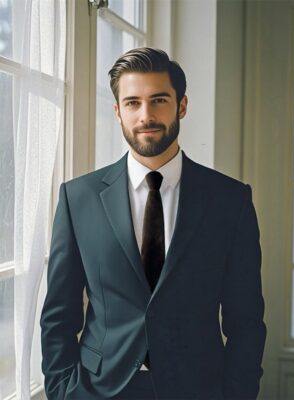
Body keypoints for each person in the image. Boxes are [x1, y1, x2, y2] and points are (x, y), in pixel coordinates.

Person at [40, 47, 266, 400]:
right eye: (132, 103)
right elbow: (58, 315)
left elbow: (246, 320)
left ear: (182, 105)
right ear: (117, 112)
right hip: (97, 389)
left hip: (199, 389)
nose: (146, 115)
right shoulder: (77, 198)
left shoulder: (230, 201)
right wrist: (62, 390)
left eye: (159, 100)